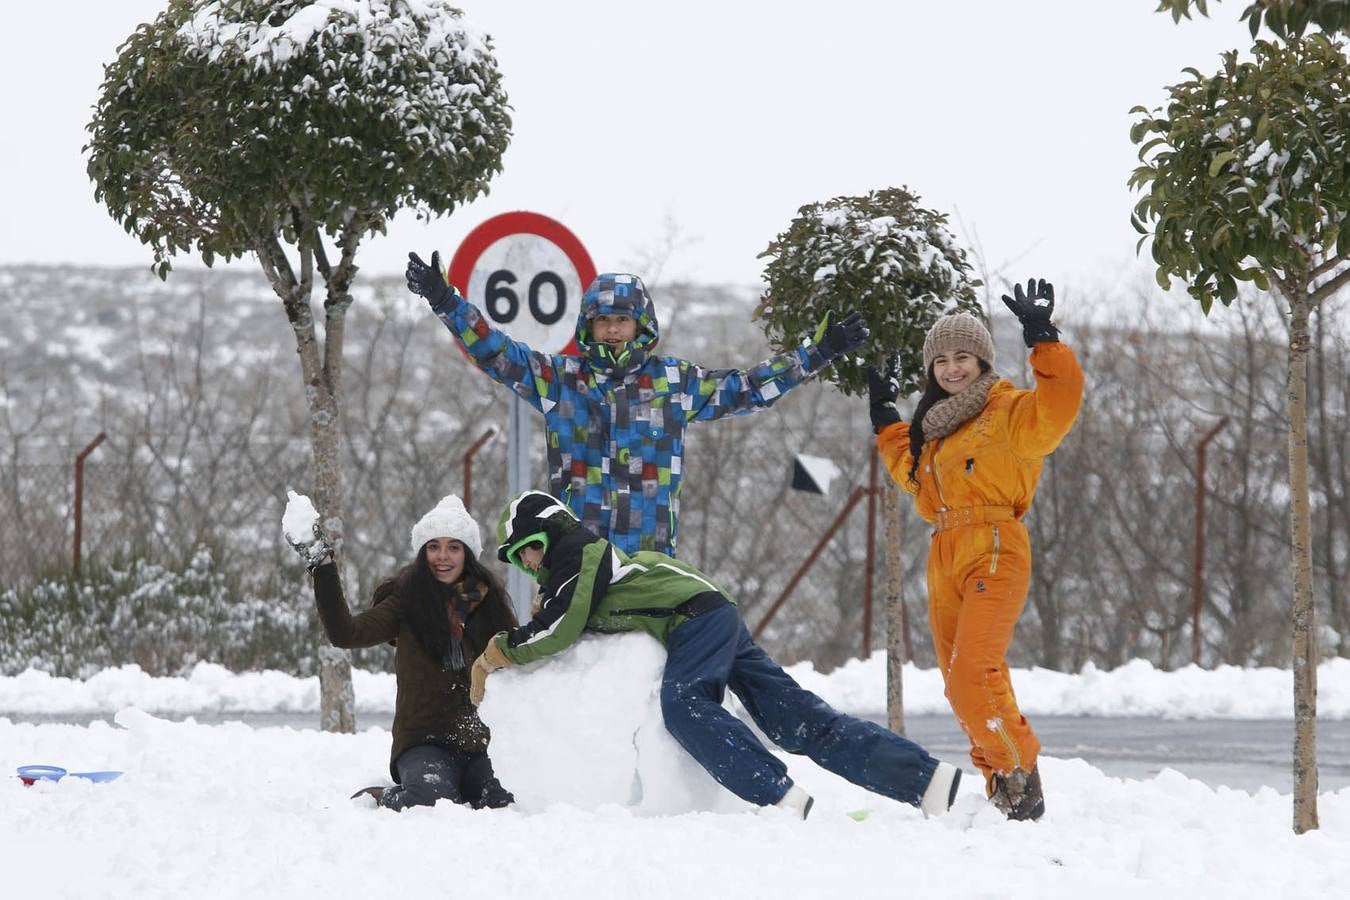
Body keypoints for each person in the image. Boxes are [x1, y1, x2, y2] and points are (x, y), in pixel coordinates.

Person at [469, 490, 964, 820]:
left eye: (527, 548)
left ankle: (778, 798)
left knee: (684, 705)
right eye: (517, 559)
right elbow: (572, 612)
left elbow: (559, 629)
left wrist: (498, 653)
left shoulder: (579, 552)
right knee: (795, 719)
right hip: (712, 612)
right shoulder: (592, 560)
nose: (528, 562)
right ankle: (927, 781)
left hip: (696, 619)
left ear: (551, 531)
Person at [405, 252, 868, 557]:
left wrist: (817, 353)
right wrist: (447, 301)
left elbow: (747, 389)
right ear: (588, 326)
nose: (611, 329)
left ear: (640, 324)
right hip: (575, 554)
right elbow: (498, 353)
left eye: (621, 320)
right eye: (602, 320)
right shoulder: (561, 381)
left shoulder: (674, 383)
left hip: (648, 557)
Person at [866, 278, 1084, 821]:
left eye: (963, 356)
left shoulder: (1009, 412)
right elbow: (913, 480)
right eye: (941, 360)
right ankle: (998, 787)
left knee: (972, 674)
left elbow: (1058, 407)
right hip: (944, 551)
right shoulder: (935, 430)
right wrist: (885, 413)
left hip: (993, 545)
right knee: (963, 681)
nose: (952, 368)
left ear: (983, 361)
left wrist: (1043, 340)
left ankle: (1019, 779)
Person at [288, 494, 519, 812]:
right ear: (422, 552)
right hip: (423, 742)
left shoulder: (490, 605)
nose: (443, 556)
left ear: (468, 553)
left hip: (480, 745)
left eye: (454, 547)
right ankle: (387, 795)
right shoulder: (406, 600)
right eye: (433, 546)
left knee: (505, 802)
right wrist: (322, 565)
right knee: (429, 801)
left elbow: (516, 665)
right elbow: (346, 633)